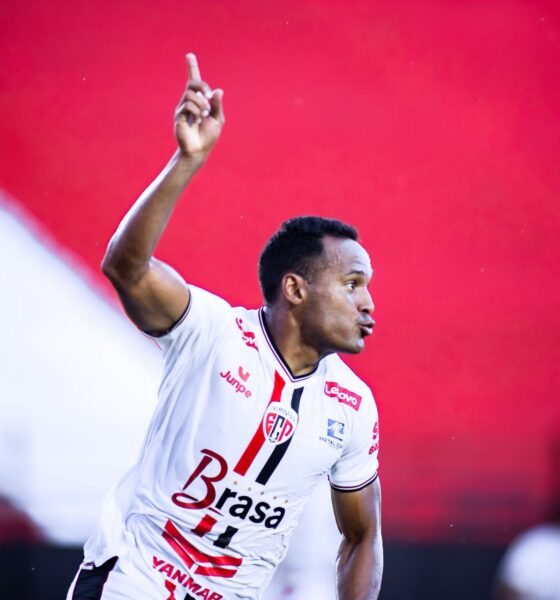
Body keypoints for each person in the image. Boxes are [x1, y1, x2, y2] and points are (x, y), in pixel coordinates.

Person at [67, 53, 382, 600]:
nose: (369, 304)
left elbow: (362, 535)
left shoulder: (353, 406)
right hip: (134, 580)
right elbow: (126, 268)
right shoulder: (211, 331)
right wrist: (187, 160)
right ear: (295, 289)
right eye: (352, 284)